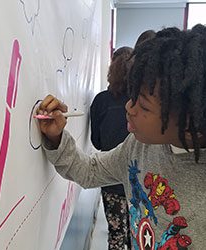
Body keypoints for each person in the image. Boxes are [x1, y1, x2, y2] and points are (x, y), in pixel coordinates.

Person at [37, 24, 206, 249]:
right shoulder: (139, 147)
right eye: (133, 95)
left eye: (145, 107)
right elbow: (89, 171)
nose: (129, 107)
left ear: (190, 121)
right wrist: (57, 138)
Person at [90, 46, 133, 250]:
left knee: (116, 233)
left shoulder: (101, 100)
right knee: (139, 233)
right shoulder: (140, 102)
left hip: (110, 177)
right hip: (138, 178)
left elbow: (97, 142)